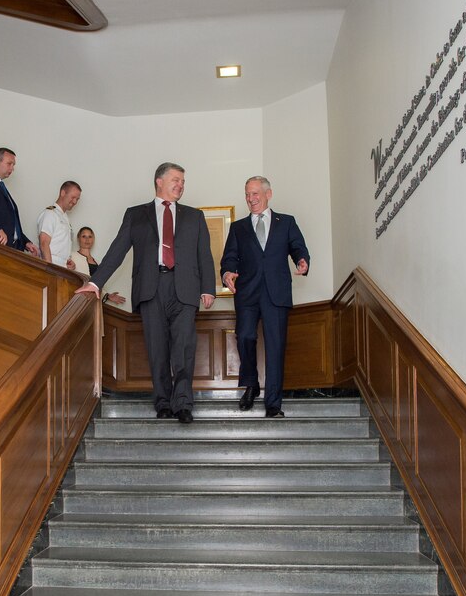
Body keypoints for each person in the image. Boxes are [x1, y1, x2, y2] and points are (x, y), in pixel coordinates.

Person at [76, 162, 215, 423]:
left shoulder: (194, 216)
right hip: (151, 288)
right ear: (159, 181)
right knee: (157, 349)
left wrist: (208, 288)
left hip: (185, 288)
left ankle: (183, 403)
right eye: (176, 179)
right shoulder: (136, 214)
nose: (181, 185)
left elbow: (204, 255)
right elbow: (117, 250)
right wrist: (96, 283)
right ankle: (163, 402)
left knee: (184, 348)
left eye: (183, 181)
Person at [221, 176, 310, 418]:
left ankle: (273, 403)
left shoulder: (287, 222)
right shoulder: (238, 227)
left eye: (255, 194)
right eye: (247, 195)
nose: (251, 199)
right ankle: (251, 384)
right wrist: (227, 272)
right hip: (247, 293)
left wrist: (303, 261)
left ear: (268, 194)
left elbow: (298, 247)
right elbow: (229, 257)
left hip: (276, 292)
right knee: (245, 337)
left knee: (275, 346)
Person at [71, 227, 126, 306]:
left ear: (93, 239)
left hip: (93, 302)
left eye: (90, 236)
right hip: (77, 299)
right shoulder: (72, 256)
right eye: (84, 236)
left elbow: (97, 284)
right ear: (78, 238)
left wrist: (108, 296)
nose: (87, 240)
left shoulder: (98, 262)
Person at [37, 181, 81, 267]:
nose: (75, 202)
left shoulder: (65, 218)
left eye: (77, 199)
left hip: (62, 267)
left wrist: (68, 261)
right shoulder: (50, 214)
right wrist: (50, 269)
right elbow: (44, 243)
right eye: (73, 197)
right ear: (63, 193)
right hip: (52, 264)